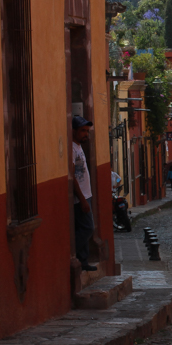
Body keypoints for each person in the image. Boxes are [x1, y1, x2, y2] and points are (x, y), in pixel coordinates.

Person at [72, 116, 97, 272]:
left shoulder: (79, 147)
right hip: (79, 197)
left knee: (84, 227)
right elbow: (72, 176)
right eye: (82, 131)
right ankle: (71, 252)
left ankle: (83, 260)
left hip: (86, 194)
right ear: (73, 131)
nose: (86, 134)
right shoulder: (72, 148)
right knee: (88, 228)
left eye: (87, 131)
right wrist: (81, 199)